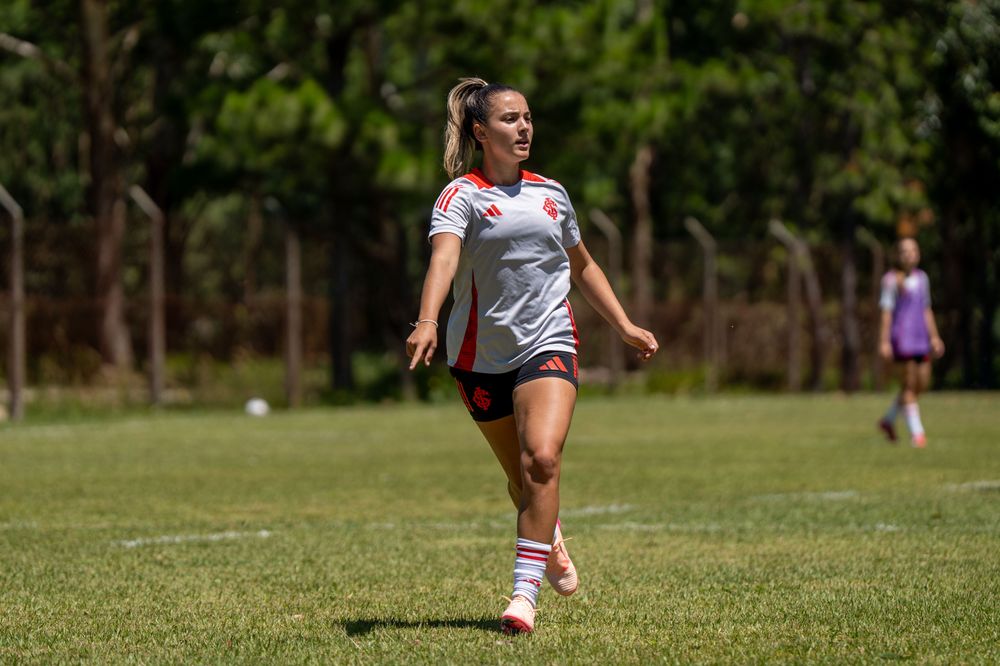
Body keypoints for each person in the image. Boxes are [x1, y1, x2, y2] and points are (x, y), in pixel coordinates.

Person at [405, 78, 659, 635]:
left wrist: (623, 324)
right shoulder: (461, 196)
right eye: (510, 119)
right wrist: (427, 320)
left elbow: (583, 265)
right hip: (476, 356)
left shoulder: (552, 193)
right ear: (480, 131)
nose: (524, 128)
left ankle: (523, 597)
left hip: (549, 339)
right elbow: (443, 263)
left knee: (541, 459)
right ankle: (551, 533)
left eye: (528, 118)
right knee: (520, 475)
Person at [877, 238, 945, 448]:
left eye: (913, 250)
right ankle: (918, 433)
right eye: (904, 251)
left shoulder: (922, 278)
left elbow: (926, 309)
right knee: (907, 386)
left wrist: (934, 336)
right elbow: (886, 313)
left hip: (920, 338)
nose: (909, 254)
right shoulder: (890, 280)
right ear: (897, 255)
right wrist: (884, 340)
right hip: (901, 339)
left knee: (920, 385)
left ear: (918, 254)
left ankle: (888, 420)